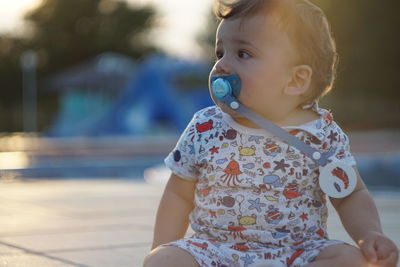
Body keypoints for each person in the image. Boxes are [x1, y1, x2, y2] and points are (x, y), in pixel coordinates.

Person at [143, 0, 399, 266]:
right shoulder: (206, 126)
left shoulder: (322, 135)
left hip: (299, 252)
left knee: (352, 260)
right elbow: (178, 194)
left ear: (295, 80)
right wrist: (160, 248)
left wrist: (369, 234)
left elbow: (350, 195)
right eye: (220, 53)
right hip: (216, 251)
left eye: (243, 54)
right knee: (164, 260)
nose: (222, 65)